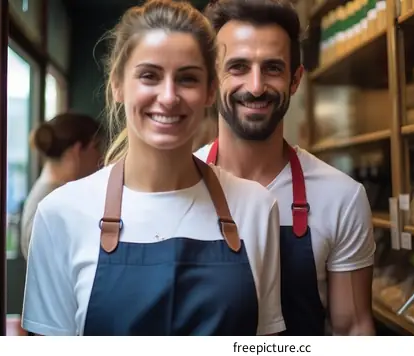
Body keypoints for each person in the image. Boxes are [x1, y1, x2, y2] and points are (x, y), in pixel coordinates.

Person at [22, 0, 284, 336]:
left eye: (187, 79)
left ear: (209, 92)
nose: (169, 96)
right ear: (117, 84)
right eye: (150, 76)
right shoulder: (61, 214)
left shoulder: (257, 208)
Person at [196, 0, 376, 336]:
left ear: (295, 80)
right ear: (210, 79)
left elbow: (353, 328)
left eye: (272, 68)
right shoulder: (180, 184)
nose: (255, 86)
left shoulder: (342, 197)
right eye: (237, 67)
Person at [20, 112, 104, 261]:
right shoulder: (54, 203)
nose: (101, 156)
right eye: (96, 147)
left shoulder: (47, 195)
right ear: (78, 150)